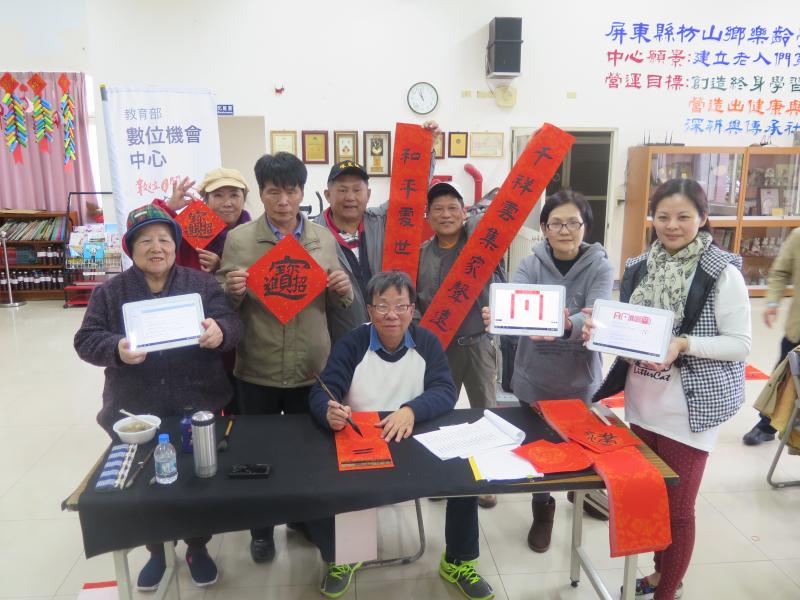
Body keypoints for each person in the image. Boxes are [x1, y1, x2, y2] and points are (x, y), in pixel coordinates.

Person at [588, 178, 751, 600]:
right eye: (663, 216)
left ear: (703, 218)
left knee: (678, 510)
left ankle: (667, 590)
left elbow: (740, 344)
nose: (672, 225)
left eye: (683, 216)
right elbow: (630, 328)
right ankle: (662, 575)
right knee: (653, 499)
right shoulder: (641, 265)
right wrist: (600, 328)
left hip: (689, 410)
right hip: (644, 401)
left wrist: (683, 344)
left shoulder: (722, 272)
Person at [73, 204, 243, 591]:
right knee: (144, 482)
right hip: (135, 409)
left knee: (198, 478)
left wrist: (220, 332)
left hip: (196, 402)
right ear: (130, 248)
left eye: (164, 239)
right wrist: (117, 348)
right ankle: (156, 551)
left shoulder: (201, 284)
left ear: (175, 245)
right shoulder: (110, 292)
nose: (156, 248)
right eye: (146, 240)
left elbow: (233, 324)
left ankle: (197, 547)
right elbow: (85, 340)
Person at [308, 271, 495, 600]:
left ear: (412, 309)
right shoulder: (353, 343)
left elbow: (444, 390)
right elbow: (323, 391)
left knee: (465, 474)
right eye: (382, 306)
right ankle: (346, 555)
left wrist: (411, 410)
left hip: (414, 434)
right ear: (370, 310)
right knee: (326, 478)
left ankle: (458, 560)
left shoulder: (427, 342)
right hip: (363, 437)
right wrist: (328, 411)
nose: (391, 315)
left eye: (400, 306)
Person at [216, 152, 353, 564]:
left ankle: (301, 518)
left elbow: (338, 303)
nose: (283, 201)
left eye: (291, 191)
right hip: (257, 365)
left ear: (302, 192)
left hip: (311, 367)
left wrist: (343, 290)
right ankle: (261, 530)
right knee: (257, 454)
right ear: (260, 194)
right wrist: (231, 292)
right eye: (273, 192)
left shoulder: (322, 239)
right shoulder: (240, 240)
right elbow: (223, 306)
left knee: (307, 453)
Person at [480, 190, 614, 552]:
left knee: (579, 445)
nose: (564, 230)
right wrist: (501, 315)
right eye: (556, 223)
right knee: (538, 448)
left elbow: (597, 313)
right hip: (534, 378)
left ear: (585, 227)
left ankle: (580, 492)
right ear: (544, 228)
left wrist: (563, 324)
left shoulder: (600, 267)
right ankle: (543, 509)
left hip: (579, 380)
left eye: (573, 222)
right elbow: (517, 304)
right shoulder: (531, 263)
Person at [417, 181, 503, 509]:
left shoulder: (480, 246)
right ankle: (442, 474)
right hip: (441, 349)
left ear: (465, 213)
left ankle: (488, 477)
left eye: (453, 207)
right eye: (438, 209)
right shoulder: (421, 255)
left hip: (479, 344)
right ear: (427, 216)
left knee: (486, 411)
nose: (446, 214)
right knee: (438, 411)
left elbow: (490, 218)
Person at [314, 121, 439, 341]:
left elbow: (412, 190)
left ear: (368, 194)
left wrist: (426, 147)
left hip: (388, 335)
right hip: (342, 341)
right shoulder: (313, 236)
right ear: (327, 195)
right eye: (342, 190)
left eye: (357, 190)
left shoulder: (382, 220)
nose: (350, 197)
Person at [742, 227, 800, 445]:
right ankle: (766, 425)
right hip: (798, 329)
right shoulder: (798, 236)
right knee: (783, 377)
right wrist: (773, 302)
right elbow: (781, 271)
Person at [153, 168, 252, 273]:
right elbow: (147, 234)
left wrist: (222, 266)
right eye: (218, 195)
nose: (227, 203)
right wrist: (168, 207)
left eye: (234, 195)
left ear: (244, 198)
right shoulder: (192, 228)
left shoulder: (254, 234)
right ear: (206, 199)